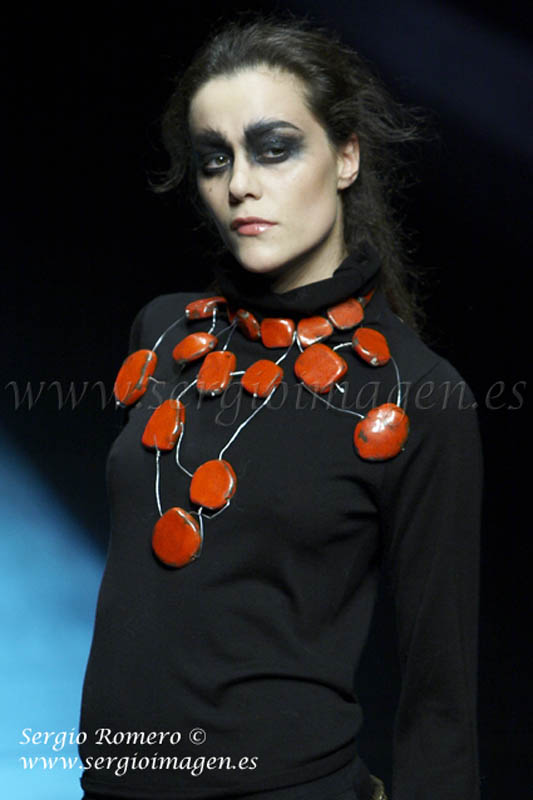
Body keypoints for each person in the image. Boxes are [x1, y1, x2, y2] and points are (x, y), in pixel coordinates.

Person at [78, 15, 482, 800]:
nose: (239, 184)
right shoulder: (162, 335)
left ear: (345, 156)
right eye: (214, 159)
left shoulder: (418, 397)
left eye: (273, 148)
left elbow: (440, 697)